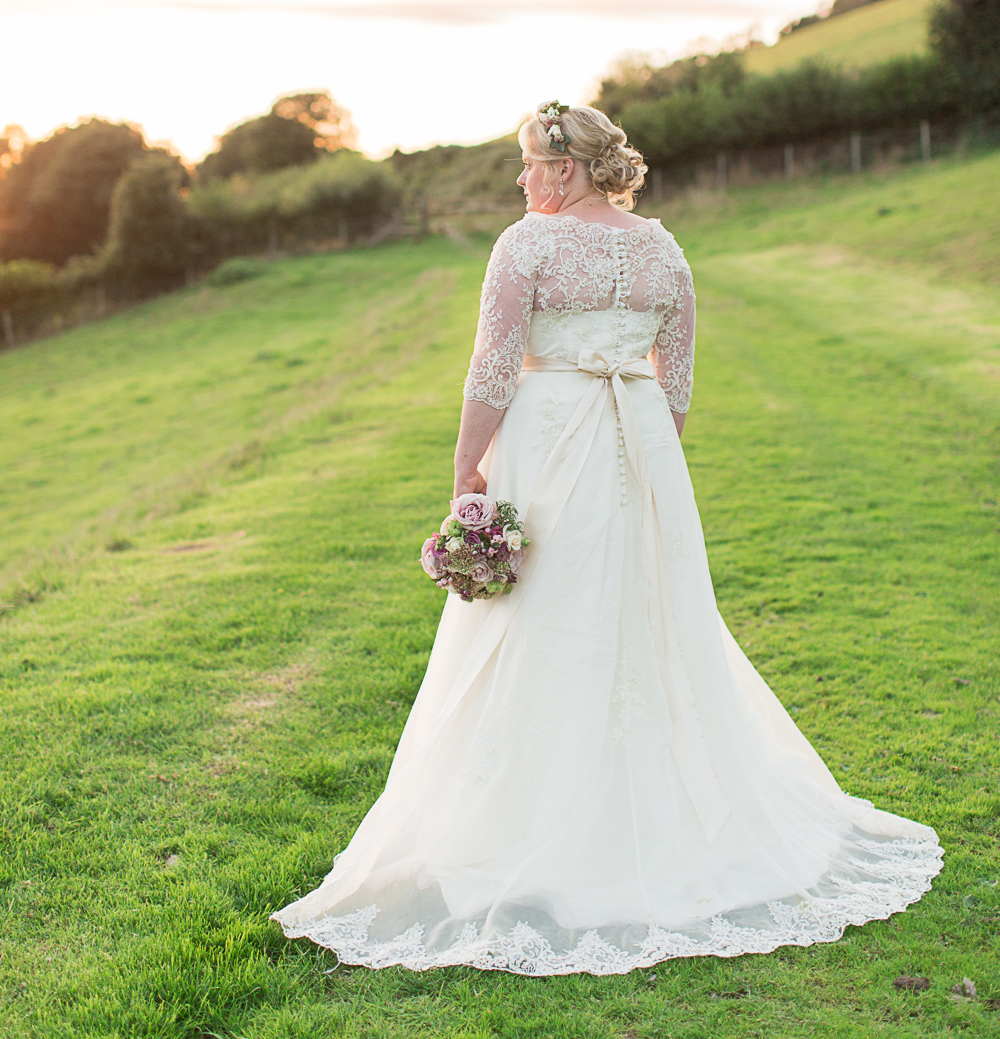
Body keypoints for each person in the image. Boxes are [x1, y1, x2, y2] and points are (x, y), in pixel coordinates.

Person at [272, 102, 941, 975]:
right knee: (644, 614)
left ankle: (535, 824)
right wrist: (648, 451)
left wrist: (466, 472)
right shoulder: (663, 247)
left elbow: (493, 367)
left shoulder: (527, 245)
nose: (520, 180)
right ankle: (655, 813)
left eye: (527, 163)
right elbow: (681, 377)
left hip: (551, 443)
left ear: (565, 167)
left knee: (540, 618)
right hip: (642, 444)